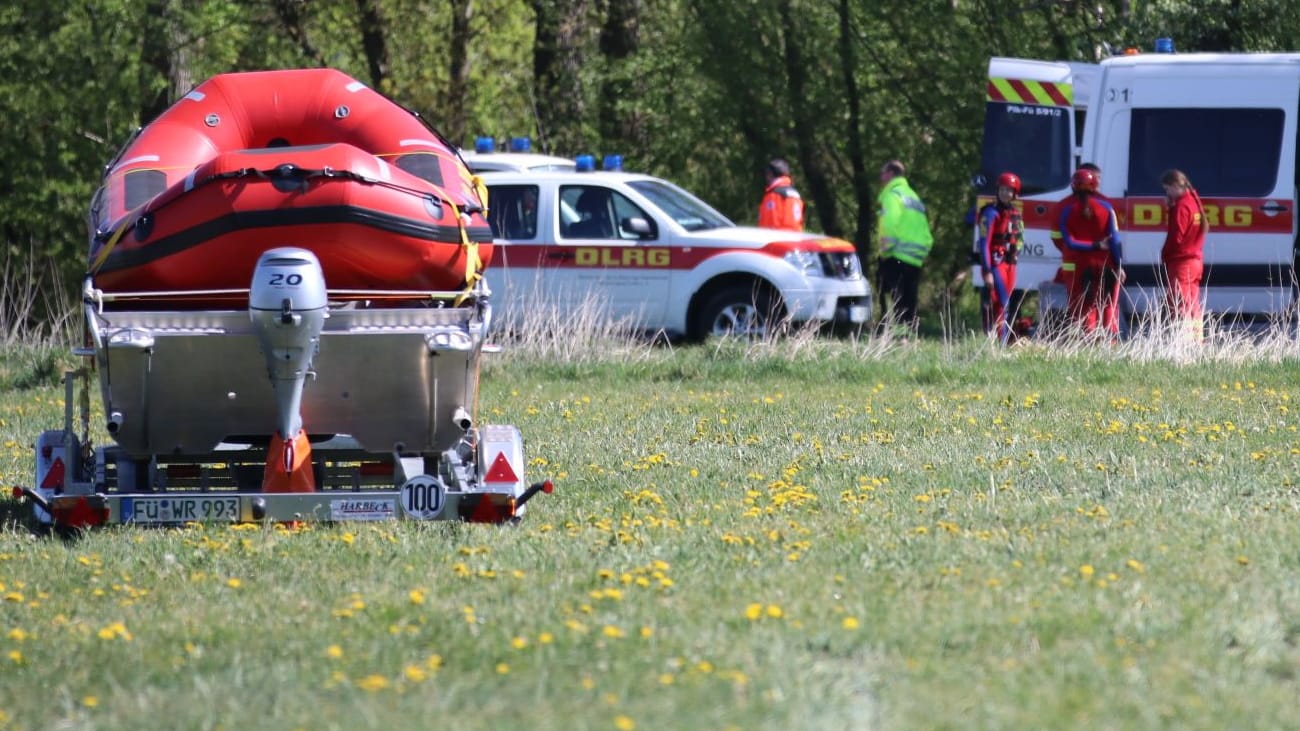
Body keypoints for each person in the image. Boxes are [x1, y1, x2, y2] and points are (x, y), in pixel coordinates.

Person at [1054, 167, 1124, 337]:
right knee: (1107, 304)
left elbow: (1069, 242)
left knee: (1085, 306)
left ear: (1073, 186)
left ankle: (1088, 340)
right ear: (1094, 186)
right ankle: (1110, 342)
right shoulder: (1107, 208)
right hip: (1106, 264)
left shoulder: (1066, 212)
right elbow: (1114, 240)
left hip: (1082, 265)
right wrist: (1120, 265)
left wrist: (1093, 246)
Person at [876, 159, 934, 333]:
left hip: (897, 254)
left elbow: (890, 223)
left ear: (890, 174)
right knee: (910, 298)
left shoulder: (892, 195)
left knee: (892, 296)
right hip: (915, 257)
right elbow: (924, 228)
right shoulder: (913, 196)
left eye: (883, 173)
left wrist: (885, 251)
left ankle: (894, 335)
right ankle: (907, 336)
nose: (881, 177)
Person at [1160, 169, 1209, 341]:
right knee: (1192, 303)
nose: (1167, 193)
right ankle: (1196, 340)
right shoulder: (1193, 203)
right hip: (1195, 261)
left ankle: (1184, 340)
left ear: (1175, 186)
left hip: (1181, 263)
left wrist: (1164, 253)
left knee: (1179, 304)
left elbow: (1176, 237)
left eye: (1167, 189)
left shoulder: (1181, 206)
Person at [978, 172, 1024, 344]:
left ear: (1015, 193)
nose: (1006, 193)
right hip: (996, 262)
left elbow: (1019, 238)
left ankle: (999, 341)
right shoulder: (990, 213)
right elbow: (984, 244)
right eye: (1003, 189)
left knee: (1004, 304)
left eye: (1010, 190)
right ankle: (1002, 342)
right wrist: (987, 272)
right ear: (998, 190)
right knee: (1003, 303)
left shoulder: (1015, 213)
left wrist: (1015, 252)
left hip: (1010, 263)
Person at [758, 158, 804, 231]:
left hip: (777, 240)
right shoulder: (794, 194)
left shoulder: (775, 195)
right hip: (794, 239)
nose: (766, 177)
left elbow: (772, 223)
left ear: (772, 174)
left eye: (767, 173)